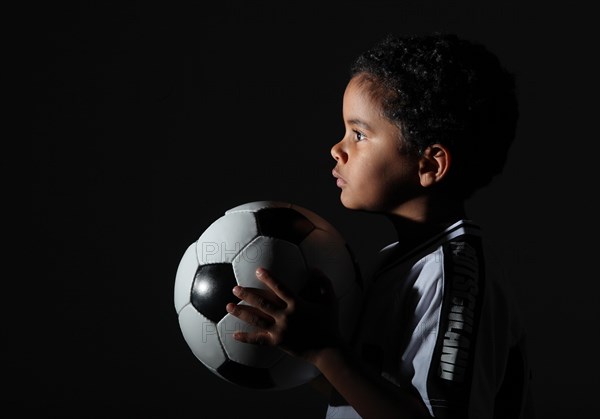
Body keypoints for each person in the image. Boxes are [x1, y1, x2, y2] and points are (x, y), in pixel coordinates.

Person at [225, 32, 535, 418]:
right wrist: (298, 345)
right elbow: (364, 393)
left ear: (429, 165)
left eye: (358, 134)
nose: (337, 149)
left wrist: (323, 349)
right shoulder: (392, 262)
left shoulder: (455, 278)